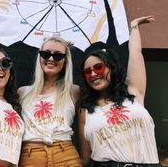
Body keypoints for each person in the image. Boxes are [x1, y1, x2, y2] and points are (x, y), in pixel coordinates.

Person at [79, 15, 161, 167]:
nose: (93, 74)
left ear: (112, 68)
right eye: (87, 72)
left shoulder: (133, 91)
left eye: (98, 67)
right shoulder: (86, 110)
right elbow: (85, 159)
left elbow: (136, 54)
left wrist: (134, 27)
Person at [18, 36, 83, 167]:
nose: (51, 59)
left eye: (58, 56)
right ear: (40, 57)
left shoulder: (74, 91)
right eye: (46, 54)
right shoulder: (22, 92)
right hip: (31, 156)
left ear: (66, 61)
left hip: (66, 154)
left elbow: (85, 124)